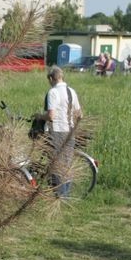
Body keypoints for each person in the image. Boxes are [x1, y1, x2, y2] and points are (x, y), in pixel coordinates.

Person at [44, 66, 82, 199]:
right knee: (67, 162)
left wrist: (39, 116)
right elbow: (79, 114)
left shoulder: (53, 92)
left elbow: (51, 116)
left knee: (56, 163)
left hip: (57, 131)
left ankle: (60, 196)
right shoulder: (71, 91)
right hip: (70, 131)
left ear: (51, 78)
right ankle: (67, 194)